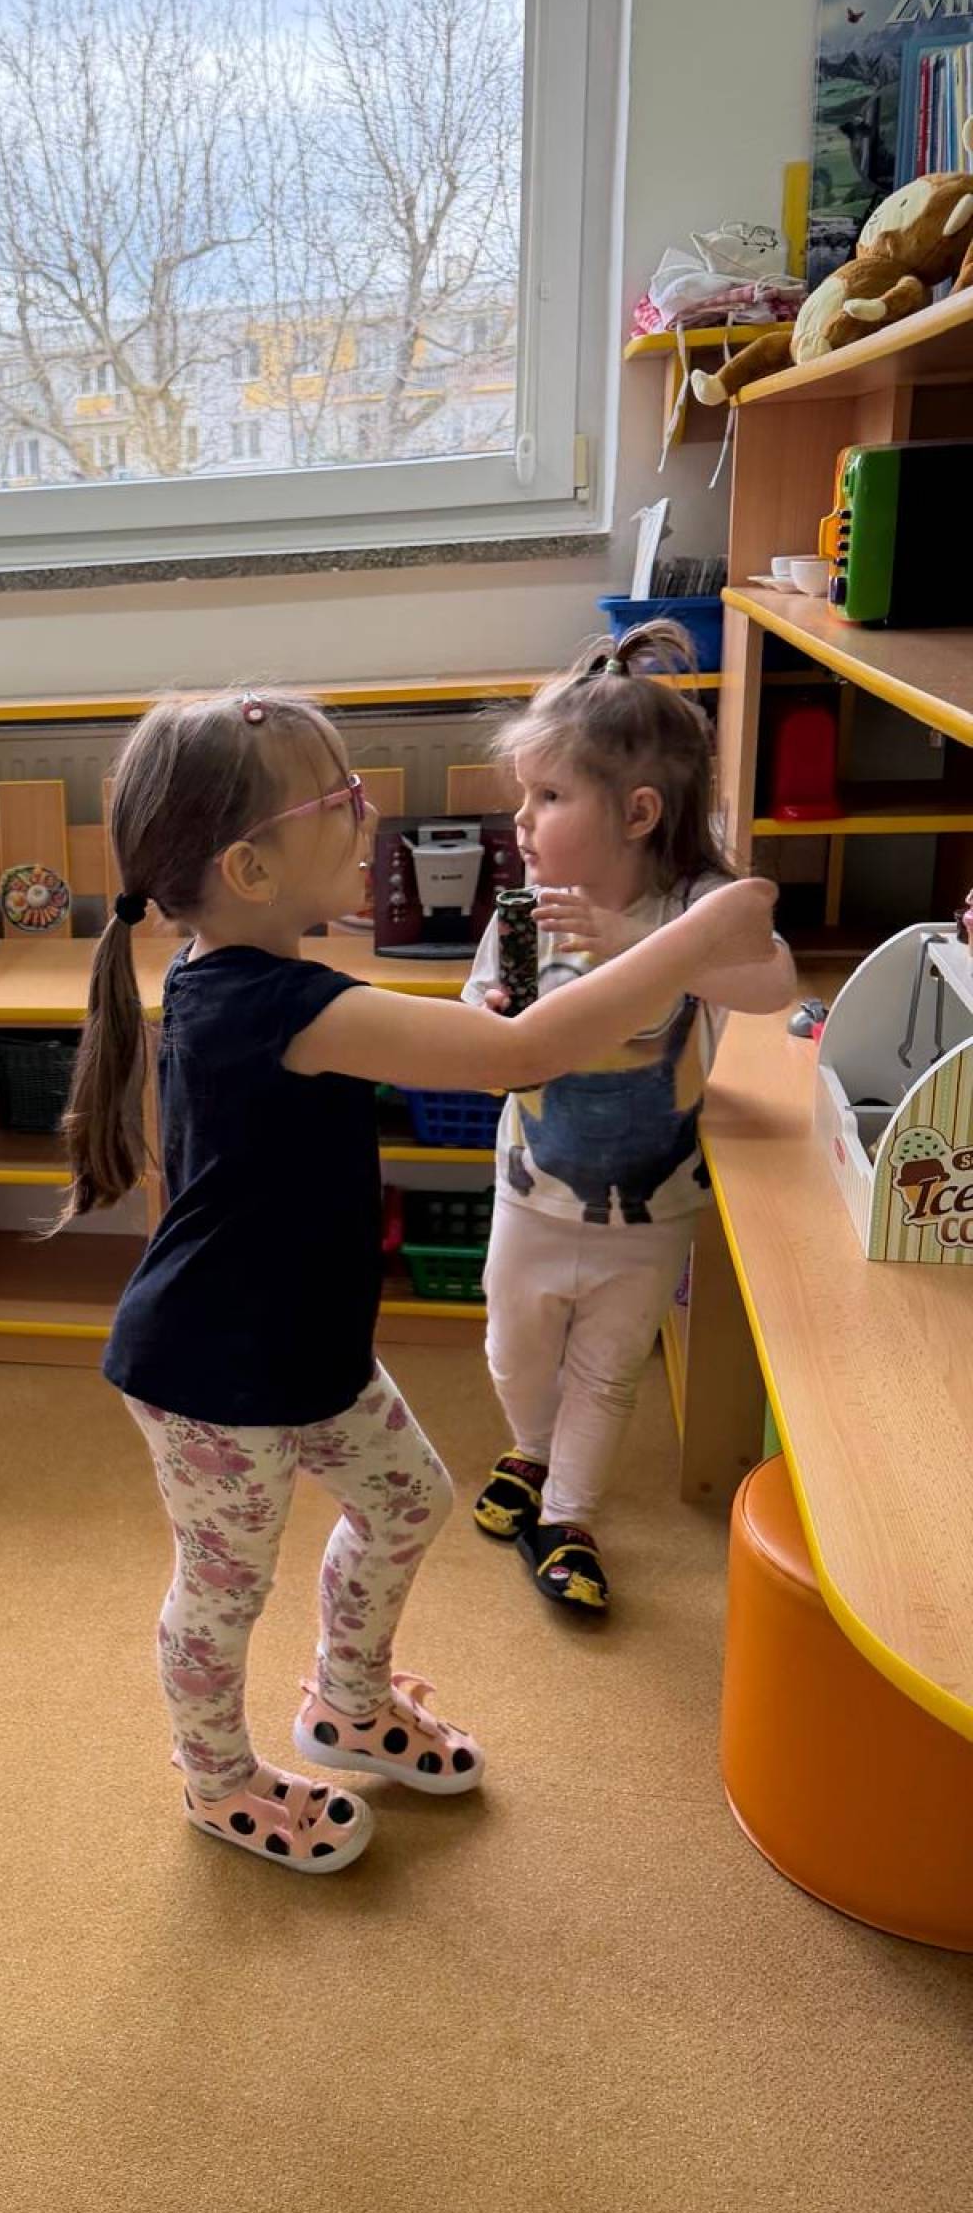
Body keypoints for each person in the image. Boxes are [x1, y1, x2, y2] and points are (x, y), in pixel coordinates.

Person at [60, 688, 779, 1873]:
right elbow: (525, 1056)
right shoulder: (283, 1004)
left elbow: (428, 1038)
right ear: (249, 868)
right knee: (224, 1588)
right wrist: (693, 940)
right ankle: (215, 1777)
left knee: (407, 1502)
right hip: (212, 1371)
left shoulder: (257, 975)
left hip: (307, 1344)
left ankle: (347, 1701)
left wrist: (479, 1009)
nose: (367, 811)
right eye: (339, 798)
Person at [461, 623, 795, 1612]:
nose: (522, 820)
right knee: (513, 1347)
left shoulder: (697, 904)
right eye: (523, 794)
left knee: (608, 1371)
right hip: (534, 1186)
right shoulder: (527, 908)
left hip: (654, 1202)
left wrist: (631, 941)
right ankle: (530, 1448)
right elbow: (479, 1014)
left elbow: (773, 982)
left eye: (548, 796)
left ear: (639, 812)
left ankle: (569, 1515)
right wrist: (489, 1015)